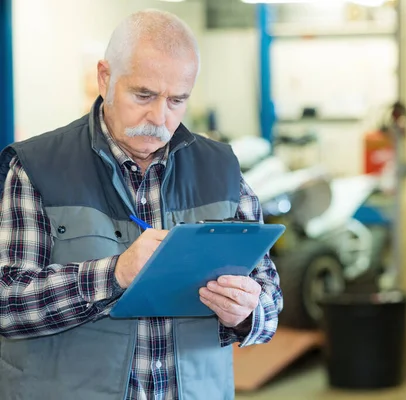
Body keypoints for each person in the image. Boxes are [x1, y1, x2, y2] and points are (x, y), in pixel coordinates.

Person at [0, 9, 282, 400]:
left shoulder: (222, 169)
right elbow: (7, 303)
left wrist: (248, 312)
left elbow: (269, 297)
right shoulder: (36, 168)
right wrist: (114, 274)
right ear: (105, 78)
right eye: (143, 95)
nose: (159, 117)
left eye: (177, 100)